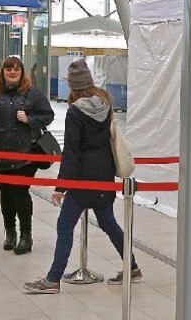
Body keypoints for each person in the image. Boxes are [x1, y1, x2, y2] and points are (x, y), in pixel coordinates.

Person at [23, 59, 140, 293]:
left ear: (72, 86)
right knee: (109, 223)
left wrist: (61, 186)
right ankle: (133, 268)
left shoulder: (75, 112)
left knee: (65, 226)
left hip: (83, 177)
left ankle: (53, 280)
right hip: (104, 173)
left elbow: (72, 152)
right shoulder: (105, 104)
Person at [0, 56, 54, 254]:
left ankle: (26, 236)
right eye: (9, 69)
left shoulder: (32, 93)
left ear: (22, 72)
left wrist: (30, 120)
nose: (13, 72)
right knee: (6, 194)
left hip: (25, 155)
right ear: (3, 72)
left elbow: (48, 115)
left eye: (16, 69)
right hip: (0, 154)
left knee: (20, 193)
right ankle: (10, 233)